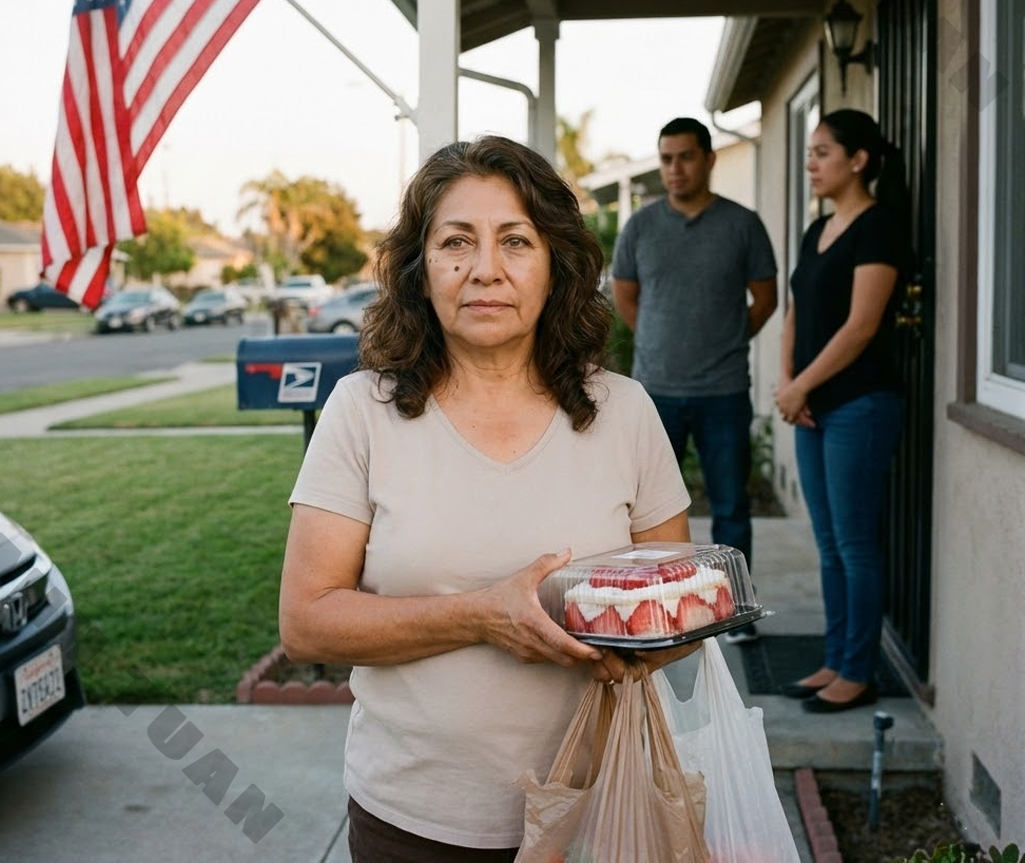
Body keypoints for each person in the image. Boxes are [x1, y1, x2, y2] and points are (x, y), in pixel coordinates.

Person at [279, 136, 698, 860]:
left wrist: (636, 646)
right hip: (412, 819)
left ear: (555, 264)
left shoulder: (625, 412)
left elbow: (680, 603)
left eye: (515, 241)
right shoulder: (362, 412)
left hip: (599, 813)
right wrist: (482, 617)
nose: (485, 271)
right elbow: (307, 623)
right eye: (456, 243)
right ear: (421, 268)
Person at [611, 117, 778, 641]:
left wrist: (723, 341)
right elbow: (625, 296)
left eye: (685, 157)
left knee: (730, 505)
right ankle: (654, 605)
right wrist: (660, 343)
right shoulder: (640, 225)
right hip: (655, 390)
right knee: (643, 510)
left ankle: (732, 611)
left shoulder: (742, 224)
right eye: (666, 159)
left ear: (708, 159)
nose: (674, 168)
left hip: (723, 390)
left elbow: (765, 299)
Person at [774, 109, 908, 714]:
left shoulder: (880, 227)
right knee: (828, 544)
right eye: (809, 152)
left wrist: (801, 385)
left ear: (858, 159)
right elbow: (796, 313)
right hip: (812, 406)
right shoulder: (816, 230)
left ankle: (858, 671)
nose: (811, 163)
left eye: (823, 152)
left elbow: (861, 327)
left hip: (860, 404)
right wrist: (787, 382)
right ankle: (834, 658)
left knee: (856, 545)